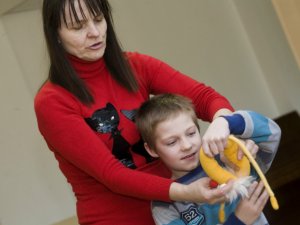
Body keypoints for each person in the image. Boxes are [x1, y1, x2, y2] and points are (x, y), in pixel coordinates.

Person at [34, 0, 238, 224]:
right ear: (56, 34)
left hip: (178, 211)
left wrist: (223, 122)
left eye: (99, 19)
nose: (94, 32)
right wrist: (185, 191)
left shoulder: (135, 65)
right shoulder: (52, 102)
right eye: (78, 26)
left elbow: (205, 98)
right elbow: (112, 175)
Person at [135, 93, 281, 225]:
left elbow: (272, 133)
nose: (186, 146)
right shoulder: (164, 205)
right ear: (152, 150)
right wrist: (238, 221)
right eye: (172, 142)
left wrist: (226, 122)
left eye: (191, 133)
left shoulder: (228, 160)